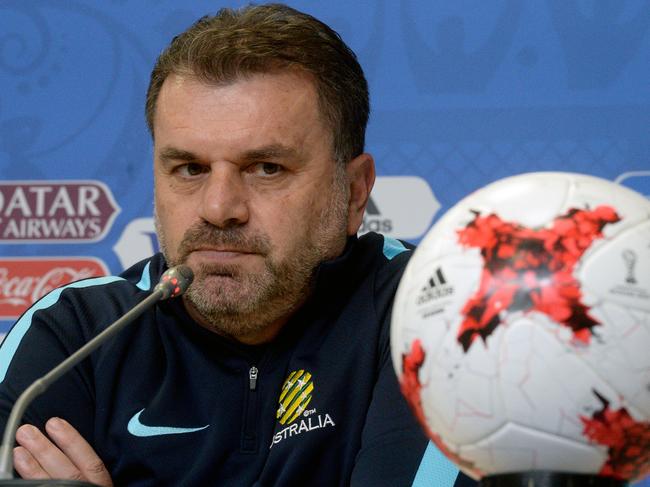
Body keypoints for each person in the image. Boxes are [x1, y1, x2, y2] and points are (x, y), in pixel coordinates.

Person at [0, 4, 475, 486]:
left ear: (354, 192)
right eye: (190, 169)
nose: (219, 208)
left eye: (266, 168)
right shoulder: (75, 334)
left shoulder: (430, 309)